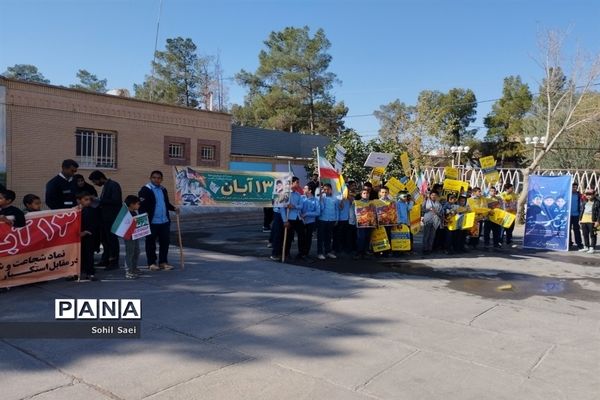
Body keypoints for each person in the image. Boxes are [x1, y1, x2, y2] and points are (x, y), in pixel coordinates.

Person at [138, 170, 178, 271]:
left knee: (165, 242)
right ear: (150, 178)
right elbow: (141, 206)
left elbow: (166, 203)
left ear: (162, 179)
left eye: (159, 178)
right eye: (154, 177)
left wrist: (174, 208)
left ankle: (163, 262)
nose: (156, 180)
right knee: (150, 243)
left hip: (164, 221)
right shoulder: (145, 190)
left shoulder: (163, 189)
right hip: (152, 222)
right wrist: (143, 213)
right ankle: (151, 263)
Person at [89, 170, 122, 270]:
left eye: (95, 181)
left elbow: (115, 201)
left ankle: (113, 261)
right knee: (105, 240)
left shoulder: (113, 185)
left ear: (101, 178)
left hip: (112, 217)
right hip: (105, 218)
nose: (95, 184)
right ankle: (105, 259)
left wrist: (98, 200)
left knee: (112, 240)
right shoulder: (106, 186)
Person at [280, 177, 305, 260]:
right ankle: (286, 254)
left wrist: (294, 206)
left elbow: (301, 206)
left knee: (302, 235)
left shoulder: (298, 194)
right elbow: (282, 208)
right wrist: (284, 220)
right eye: (297, 182)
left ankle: (301, 253)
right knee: (289, 237)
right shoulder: (285, 194)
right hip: (289, 218)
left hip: (298, 218)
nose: (298, 184)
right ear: (292, 183)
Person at [77, 191, 98, 281]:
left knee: (89, 255)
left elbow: (95, 223)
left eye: (89, 199)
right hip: (79, 237)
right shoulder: (75, 211)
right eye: (86, 200)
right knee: (80, 255)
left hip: (89, 236)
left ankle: (90, 273)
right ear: (79, 201)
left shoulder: (92, 210)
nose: (88, 201)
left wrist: (87, 232)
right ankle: (82, 272)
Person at [317, 183, 339, 260]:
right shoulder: (321, 197)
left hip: (331, 220)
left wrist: (337, 219)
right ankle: (319, 253)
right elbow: (321, 209)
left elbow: (337, 209)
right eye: (324, 189)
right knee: (320, 237)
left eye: (327, 189)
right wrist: (321, 200)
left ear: (331, 190)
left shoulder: (335, 198)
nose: (326, 191)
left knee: (329, 237)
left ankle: (328, 252)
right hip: (322, 220)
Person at [124, 195, 143, 279]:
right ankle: (128, 271)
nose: (139, 205)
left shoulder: (134, 212)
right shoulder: (126, 213)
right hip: (129, 236)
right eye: (137, 204)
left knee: (136, 251)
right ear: (132, 204)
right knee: (130, 252)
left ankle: (134, 268)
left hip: (135, 235)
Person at [300, 184, 320, 258]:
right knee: (301, 238)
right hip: (301, 221)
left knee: (308, 238)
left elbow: (318, 212)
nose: (303, 190)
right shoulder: (301, 198)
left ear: (310, 190)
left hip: (310, 222)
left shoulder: (315, 200)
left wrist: (307, 214)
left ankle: (306, 253)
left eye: (305, 188)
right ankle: (301, 253)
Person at [354, 188, 374, 259]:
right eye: (364, 193)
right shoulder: (356, 202)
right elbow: (355, 213)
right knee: (360, 238)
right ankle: (359, 253)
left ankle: (365, 252)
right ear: (361, 194)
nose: (366, 195)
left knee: (367, 238)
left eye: (367, 193)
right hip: (361, 224)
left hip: (369, 224)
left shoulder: (372, 203)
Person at [580, 188, 600, 254]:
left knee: (592, 235)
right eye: (587, 194)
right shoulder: (584, 201)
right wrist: (580, 219)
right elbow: (582, 211)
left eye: (590, 194)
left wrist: (598, 221)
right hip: (584, 220)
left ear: (594, 195)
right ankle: (586, 246)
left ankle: (592, 248)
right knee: (585, 234)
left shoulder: (597, 202)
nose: (588, 196)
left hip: (592, 221)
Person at [570, 182, 584, 250]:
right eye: (573, 187)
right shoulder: (567, 194)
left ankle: (579, 244)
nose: (574, 188)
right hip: (568, 215)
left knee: (577, 230)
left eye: (576, 187)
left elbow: (583, 204)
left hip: (576, 215)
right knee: (568, 230)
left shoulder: (579, 195)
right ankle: (569, 243)